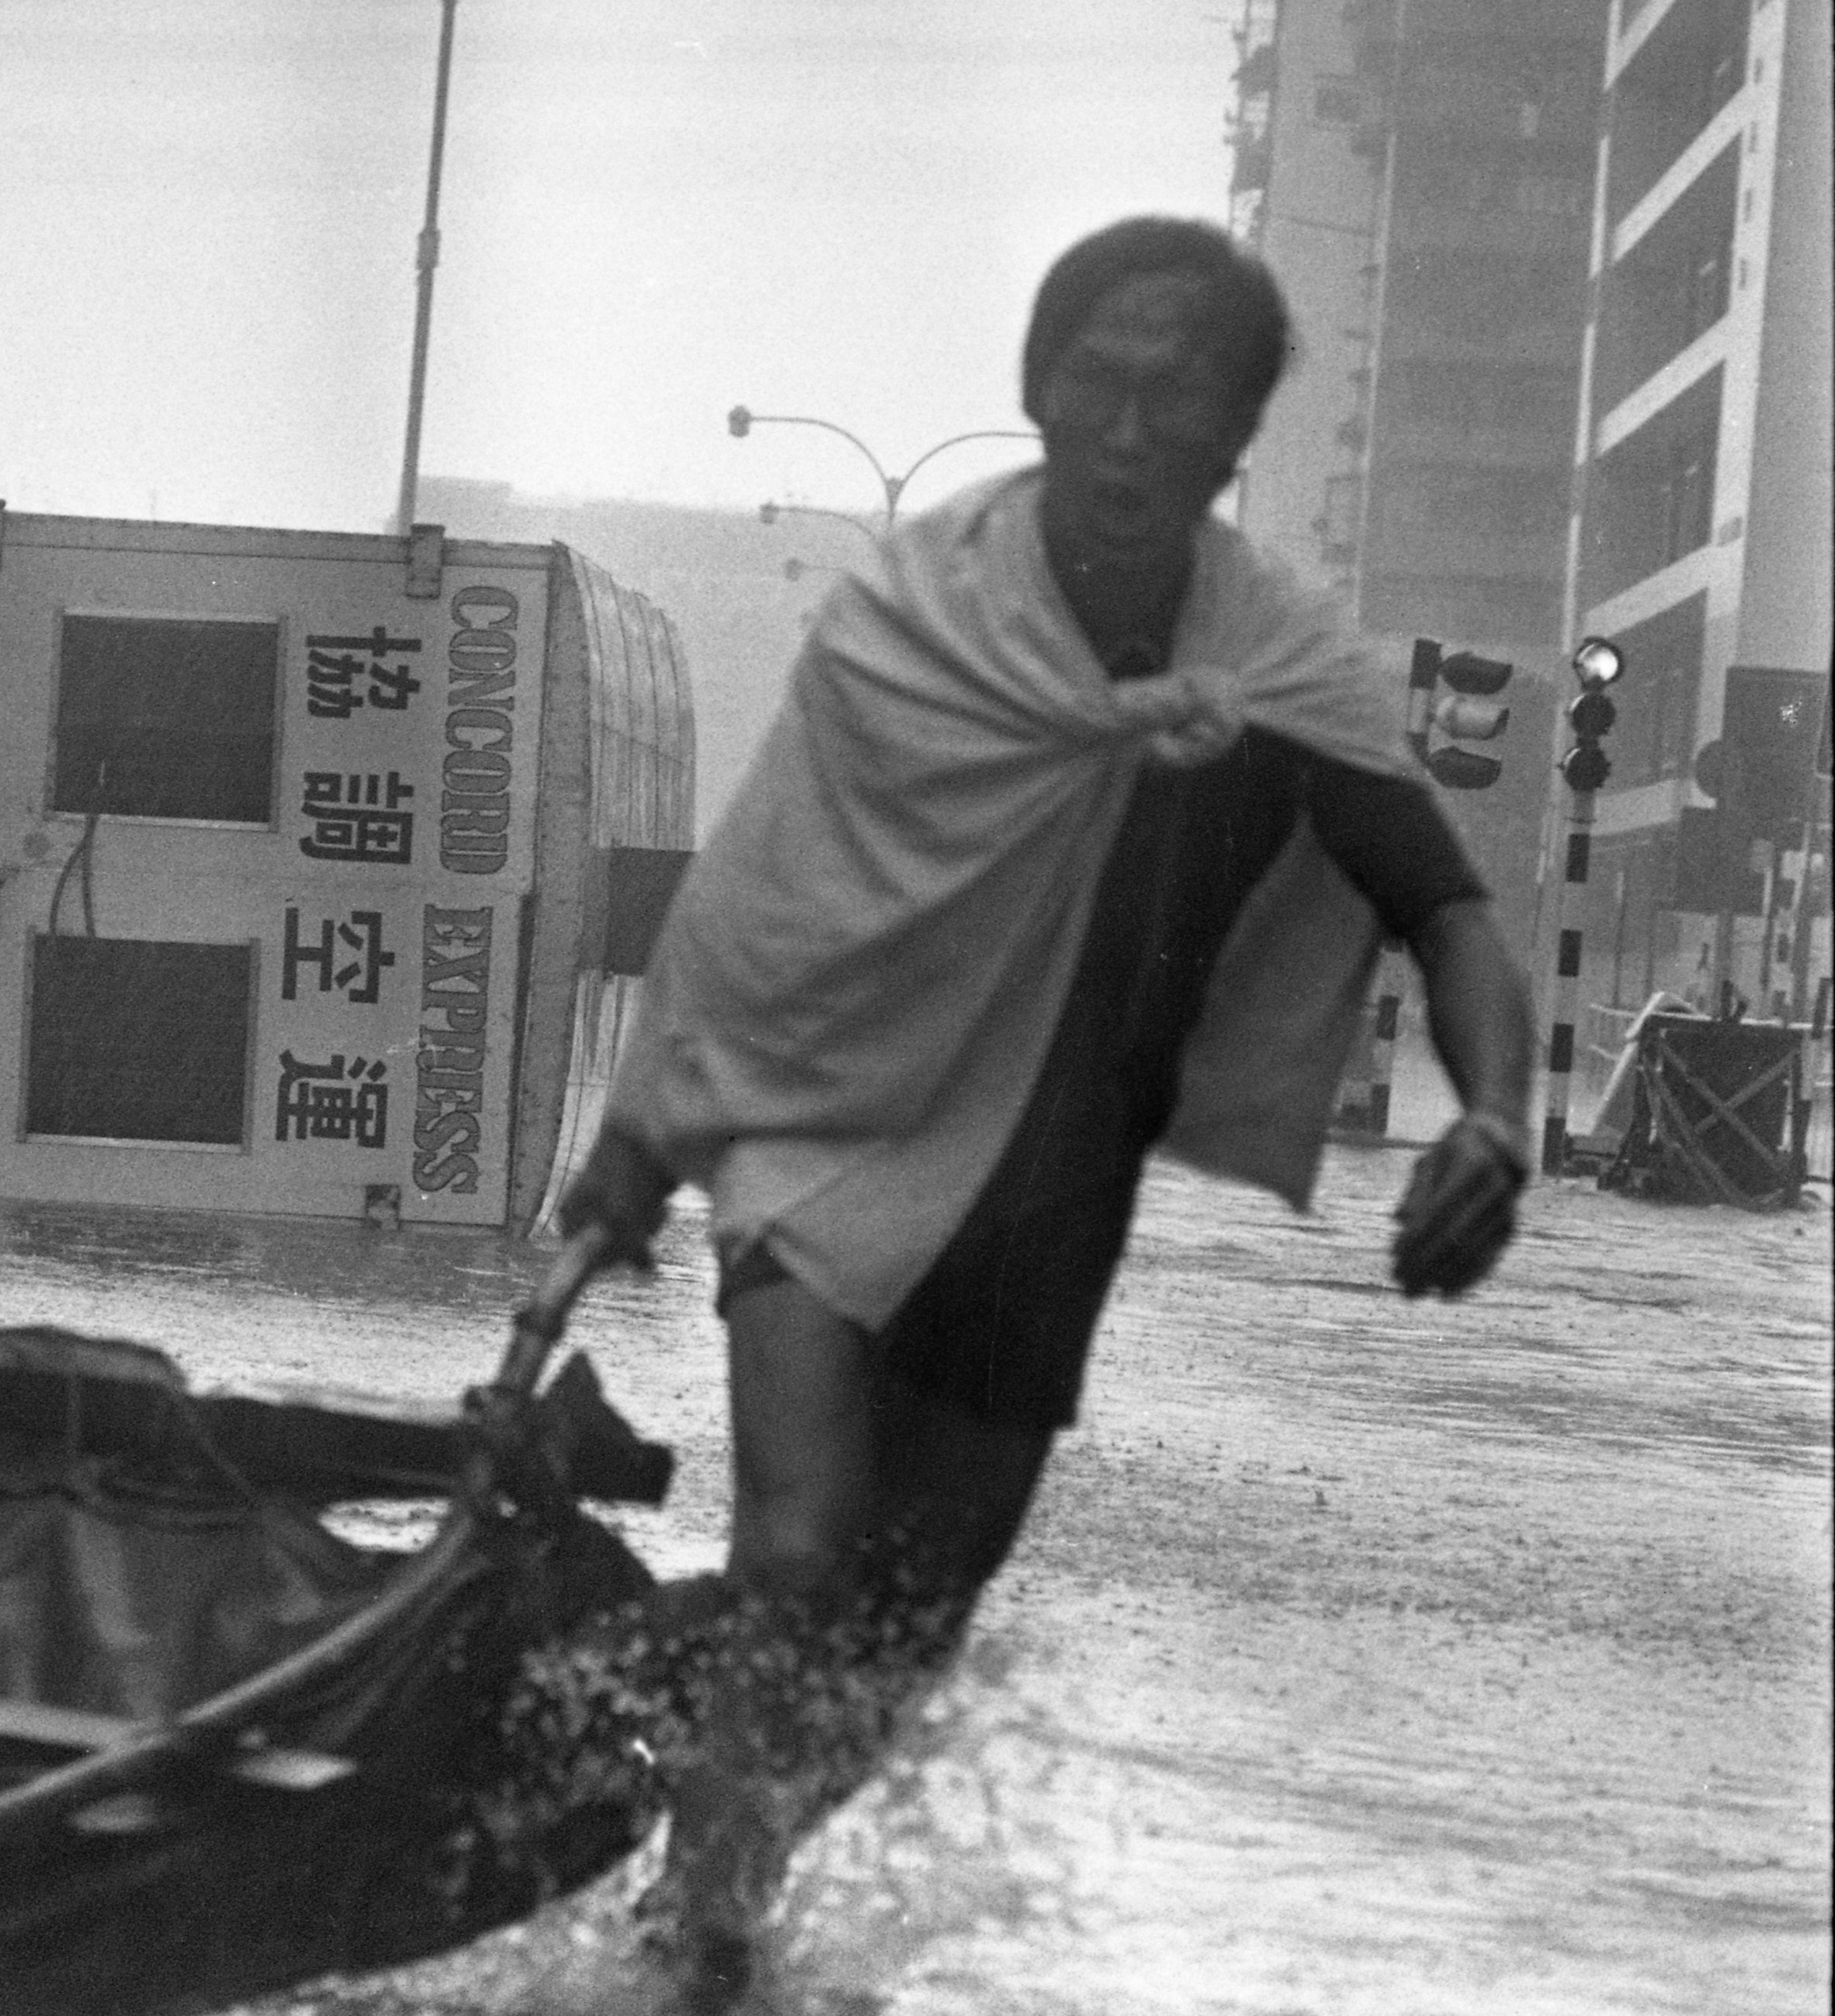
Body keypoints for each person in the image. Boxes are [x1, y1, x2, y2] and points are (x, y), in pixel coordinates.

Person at [555, 216, 1534, 2011]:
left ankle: (686, 1837)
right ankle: (688, 1956)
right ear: (1041, 390)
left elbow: (1445, 902)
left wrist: (1502, 1117)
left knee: (886, 1656)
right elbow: (760, 905)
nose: (1132, 424)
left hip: (1043, 1210)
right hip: (825, 1140)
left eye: (1183, 393)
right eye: (1099, 376)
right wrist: (636, 1151)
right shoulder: (913, 623)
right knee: (795, 1550)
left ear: (1238, 438)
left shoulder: (1280, 670)